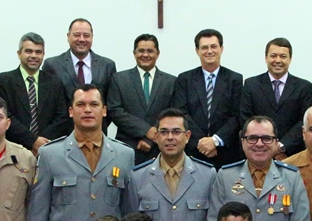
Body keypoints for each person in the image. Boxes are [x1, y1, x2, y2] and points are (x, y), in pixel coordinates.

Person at [24, 84, 135, 221]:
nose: (87, 110)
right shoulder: (51, 154)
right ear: (70, 111)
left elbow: (129, 212)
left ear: (104, 111)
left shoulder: (124, 154)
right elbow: (38, 214)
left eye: (94, 104)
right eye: (81, 104)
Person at [207, 116, 310, 221]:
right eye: (253, 138)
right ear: (242, 142)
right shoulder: (225, 176)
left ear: (277, 143)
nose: (259, 144)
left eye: (267, 138)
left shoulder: (291, 178)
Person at [125, 108, 216, 221]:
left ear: (187, 136)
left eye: (176, 132)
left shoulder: (207, 175)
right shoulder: (138, 177)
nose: (170, 138)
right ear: (156, 136)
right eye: (164, 132)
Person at [172, 29, 244, 168]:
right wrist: (202, 143)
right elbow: (181, 113)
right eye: (204, 47)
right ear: (197, 51)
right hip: (193, 151)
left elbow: (237, 116)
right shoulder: (185, 79)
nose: (209, 51)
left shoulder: (235, 79)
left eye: (213, 46)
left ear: (221, 49)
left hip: (226, 152)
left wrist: (215, 141)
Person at [0, 32, 72, 155]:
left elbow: (61, 117)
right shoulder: (2, 81)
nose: (34, 56)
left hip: (48, 150)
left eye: (38, 52)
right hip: (13, 150)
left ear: (43, 55)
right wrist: (32, 141)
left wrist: (41, 144)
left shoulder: (55, 82)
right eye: (28, 51)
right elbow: (5, 116)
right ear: (19, 54)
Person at [107, 34, 177, 164]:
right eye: (141, 51)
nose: (145, 55)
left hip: (160, 149)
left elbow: (173, 113)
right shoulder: (119, 79)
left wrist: (151, 139)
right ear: (134, 53)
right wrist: (146, 130)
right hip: (127, 147)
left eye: (150, 51)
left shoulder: (171, 82)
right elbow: (115, 111)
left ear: (158, 53)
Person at [239, 38, 312, 158]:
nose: (278, 60)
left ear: (290, 59)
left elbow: (305, 121)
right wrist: (266, 144)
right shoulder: (251, 84)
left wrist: (282, 146)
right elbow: (246, 119)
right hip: (258, 152)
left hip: (292, 154)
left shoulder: (304, 87)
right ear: (266, 57)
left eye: (283, 56)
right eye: (273, 56)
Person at [42, 18, 118, 116]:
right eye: (77, 35)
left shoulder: (107, 65)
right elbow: (48, 104)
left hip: (97, 128)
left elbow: (111, 104)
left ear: (92, 37)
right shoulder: (52, 65)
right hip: (63, 129)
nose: (82, 39)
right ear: (68, 36)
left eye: (86, 35)